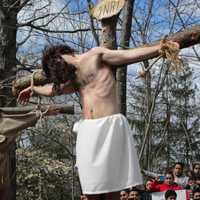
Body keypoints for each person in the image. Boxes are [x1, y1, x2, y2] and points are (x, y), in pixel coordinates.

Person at [18, 41, 179, 200]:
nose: (62, 75)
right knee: (90, 188)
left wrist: (160, 47)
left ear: (60, 56)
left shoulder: (96, 55)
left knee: (113, 188)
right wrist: (33, 89)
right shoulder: (73, 76)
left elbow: (127, 55)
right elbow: (54, 91)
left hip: (111, 126)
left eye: (58, 67)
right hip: (88, 131)